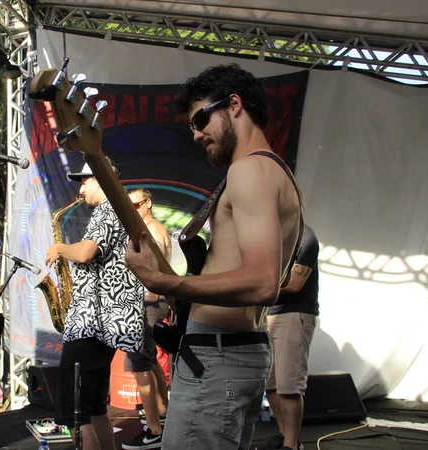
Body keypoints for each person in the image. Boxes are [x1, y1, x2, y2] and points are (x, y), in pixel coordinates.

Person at [124, 63, 303, 450]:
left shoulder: (250, 170)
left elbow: (262, 282)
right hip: (234, 352)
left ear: (234, 104)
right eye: (192, 125)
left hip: (219, 358)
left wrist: (162, 282)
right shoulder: (272, 172)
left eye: (201, 118)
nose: (196, 133)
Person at [45, 159, 144, 450]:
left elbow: (86, 252)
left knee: (77, 410)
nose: (82, 187)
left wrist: (60, 248)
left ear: (100, 179)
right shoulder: (121, 209)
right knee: (95, 406)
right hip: (104, 325)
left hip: (91, 324)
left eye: (85, 180)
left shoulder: (108, 209)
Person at [122, 188, 172, 450]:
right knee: (150, 362)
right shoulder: (157, 228)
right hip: (152, 303)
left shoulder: (150, 230)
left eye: (137, 204)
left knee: (141, 365)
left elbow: (151, 272)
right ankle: (163, 415)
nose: (134, 210)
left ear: (148, 203)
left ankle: (153, 430)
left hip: (146, 304)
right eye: (130, 206)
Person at [263, 224, 319, 450]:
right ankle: (285, 436)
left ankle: (291, 445)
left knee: (288, 386)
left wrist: (258, 284)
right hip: (269, 314)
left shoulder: (305, 236)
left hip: (293, 315)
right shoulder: (270, 234)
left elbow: (295, 284)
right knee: (271, 384)